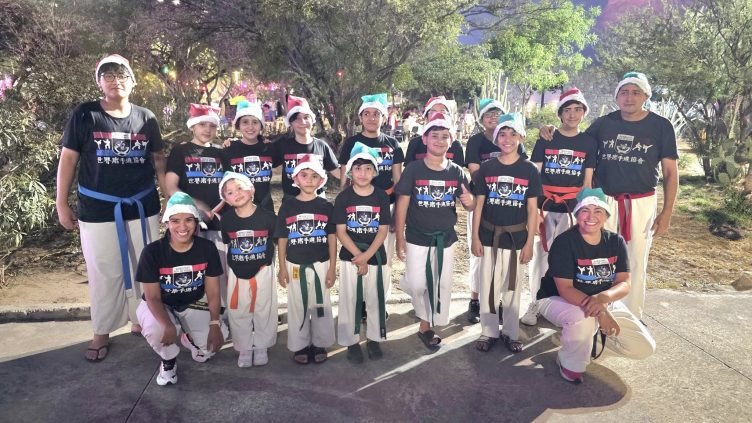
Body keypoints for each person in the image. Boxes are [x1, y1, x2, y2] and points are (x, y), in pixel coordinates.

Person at [540, 72, 679, 318]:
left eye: (635, 92)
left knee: (635, 260)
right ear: (616, 97)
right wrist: (551, 130)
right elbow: (575, 138)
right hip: (603, 201)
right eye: (624, 92)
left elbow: (670, 172)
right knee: (599, 259)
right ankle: (595, 314)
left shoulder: (660, 126)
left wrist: (667, 212)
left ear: (646, 96)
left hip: (640, 201)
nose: (629, 97)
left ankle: (630, 317)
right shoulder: (604, 124)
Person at [56, 54, 166, 362]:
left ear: (133, 81)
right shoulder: (86, 114)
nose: (116, 81)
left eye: (122, 75)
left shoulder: (146, 117)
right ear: (99, 82)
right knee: (103, 269)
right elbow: (68, 159)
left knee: (144, 265)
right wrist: (61, 202)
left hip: (142, 205)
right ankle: (102, 329)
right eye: (108, 75)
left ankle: (141, 318)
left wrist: (170, 197)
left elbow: (158, 160)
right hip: (98, 207)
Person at [536, 188, 655, 384]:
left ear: (606, 215)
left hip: (602, 300)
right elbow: (565, 289)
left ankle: (578, 341)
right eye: (585, 210)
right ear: (576, 215)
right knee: (582, 319)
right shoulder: (564, 242)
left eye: (598, 211)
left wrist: (603, 299)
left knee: (643, 348)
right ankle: (569, 361)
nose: (591, 217)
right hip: (557, 299)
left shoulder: (615, 241)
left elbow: (624, 283)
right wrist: (601, 311)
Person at [394, 112, 475, 350]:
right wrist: (399, 237)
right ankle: (408, 283)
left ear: (451, 141)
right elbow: (402, 204)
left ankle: (426, 326)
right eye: (435, 136)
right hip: (417, 237)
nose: (440, 141)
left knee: (439, 285)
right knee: (417, 284)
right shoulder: (414, 169)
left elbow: (469, 204)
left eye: (444, 136)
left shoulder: (456, 171)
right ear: (425, 139)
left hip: (445, 240)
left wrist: (470, 201)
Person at [135, 192, 229, 386]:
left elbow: (213, 291)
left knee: (211, 346)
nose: (182, 227)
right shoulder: (152, 252)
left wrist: (214, 323)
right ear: (167, 223)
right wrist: (167, 325)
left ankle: (188, 337)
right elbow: (152, 297)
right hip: (160, 305)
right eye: (175, 221)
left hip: (191, 302)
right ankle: (168, 361)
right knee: (158, 330)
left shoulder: (207, 248)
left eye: (188, 220)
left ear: (196, 222)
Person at [523, 88, 597, 326]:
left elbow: (587, 181)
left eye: (577, 109)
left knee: (566, 258)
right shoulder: (547, 138)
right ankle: (535, 302)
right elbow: (534, 174)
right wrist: (531, 211)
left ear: (584, 112)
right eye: (567, 110)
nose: (572, 115)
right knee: (540, 257)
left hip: (571, 208)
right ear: (560, 113)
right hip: (544, 206)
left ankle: (559, 304)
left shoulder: (588, 142)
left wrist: (585, 211)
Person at [470, 113, 540, 353]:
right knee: (488, 286)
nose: (507, 139)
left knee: (513, 288)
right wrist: (475, 237)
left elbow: (532, 209)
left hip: (516, 238)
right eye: (502, 134)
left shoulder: (529, 170)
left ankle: (511, 332)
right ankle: (488, 331)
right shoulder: (487, 168)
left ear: (521, 137)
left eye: (512, 134)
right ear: (496, 138)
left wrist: (529, 242)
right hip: (489, 236)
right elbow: (479, 204)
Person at [275, 155, 337, 364]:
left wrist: (332, 268)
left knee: (321, 303)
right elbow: (282, 239)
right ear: (295, 179)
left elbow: (332, 238)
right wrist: (282, 267)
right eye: (304, 175)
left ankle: (320, 342)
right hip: (295, 264)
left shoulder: (326, 206)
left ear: (321, 180)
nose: (309, 180)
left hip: (321, 263)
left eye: (314, 176)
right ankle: (300, 345)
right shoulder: (288, 207)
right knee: (297, 305)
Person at [165, 104, 229, 304]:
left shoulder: (221, 154)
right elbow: (171, 187)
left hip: (218, 222)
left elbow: (230, 187)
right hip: (190, 224)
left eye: (212, 125)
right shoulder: (180, 151)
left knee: (220, 271)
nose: (207, 129)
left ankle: (221, 313)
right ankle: (196, 312)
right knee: (195, 270)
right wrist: (197, 208)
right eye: (202, 124)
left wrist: (215, 210)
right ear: (192, 126)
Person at [334, 143, 391, 363]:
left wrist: (367, 257)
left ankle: (374, 338)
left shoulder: (381, 197)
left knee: (375, 298)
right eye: (357, 168)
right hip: (350, 256)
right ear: (350, 171)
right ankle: (351, 341)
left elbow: (383, 230)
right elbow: (341, 232)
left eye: (368, 168)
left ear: (375, 172)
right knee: (350, 299)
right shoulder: (344, 198)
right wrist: (358, 256)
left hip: (375, 255)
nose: (363, 173)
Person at [219, 172, 278, 368]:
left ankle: (262, 345)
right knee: (238, 310)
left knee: (264, 308)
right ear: (225, 199)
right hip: (237, 272)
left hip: (263, 269)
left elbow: (275, 241)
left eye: (240, 188)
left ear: (251, 190)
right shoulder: (226, 220)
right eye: (229, 192)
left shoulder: (268, 217)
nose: (236, 193)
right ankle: (244, 347)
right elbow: (228, 243)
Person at [339, 93, 404, 264]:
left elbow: (398, 181)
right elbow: (344, 179)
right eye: (366, 114)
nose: (371, 118)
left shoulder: (393, 144)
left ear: (384, 118)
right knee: (354, 255)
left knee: (383, 258)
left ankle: (382, 283)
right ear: (360, 117)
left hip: (387, 205)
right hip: (356, 206)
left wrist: (396, 215)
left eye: (376, 114)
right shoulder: (350, 143)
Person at [464, 98, 512, 323]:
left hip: (507, 205)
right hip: (480, 202)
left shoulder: (510, 139)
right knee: (479, 252)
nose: (493, 118)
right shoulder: (476, 141)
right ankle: (474, 299)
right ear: (481, 119)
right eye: (488, 114)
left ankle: (497, 300)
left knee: (502, 254)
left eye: (497, 113)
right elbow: (475, 174)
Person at [276, 95, 339, 202]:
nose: (303, 122)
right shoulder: (283, 145)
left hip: (318, 202)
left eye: (306, 117)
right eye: (297, 119)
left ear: (312, 120)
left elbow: (337, 172)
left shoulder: (321, 146)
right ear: (290, 123)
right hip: (291, 203)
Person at [224, 101, 279, 211]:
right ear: (238, 125)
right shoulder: (229, 148)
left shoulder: (269, 148)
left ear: (261, 125)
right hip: (239, 209)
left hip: (266, 208)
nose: (250, 127)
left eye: (255, 122)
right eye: (245, 122)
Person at [404, 96, 465, 166]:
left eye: (443, 111)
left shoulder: (456, 146)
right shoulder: (414, 144)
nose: (438, 115)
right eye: (433, 112)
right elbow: (409, 171)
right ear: (426, 118)